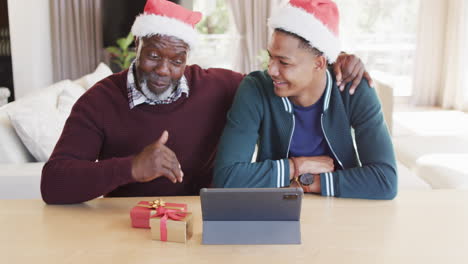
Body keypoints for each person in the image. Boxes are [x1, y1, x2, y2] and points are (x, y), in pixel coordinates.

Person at [41, 0, 372, 204]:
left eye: (176, 60)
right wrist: (131, 167)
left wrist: (333, 59)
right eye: (153, 55)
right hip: (129, 222)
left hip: (209, 218)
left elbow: (287, 76)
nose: (163, 71)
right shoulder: (99, 101)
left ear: (187, 57)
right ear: (137, 45)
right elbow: (53, 184)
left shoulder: (219, 86)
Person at [213, 0, 397, 200]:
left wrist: (307, 184)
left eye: (284, 62)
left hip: (344, 207)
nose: (271, 70)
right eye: (271, 57)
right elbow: (226, 177)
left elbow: (385, 180)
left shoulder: (352, 88)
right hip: (277, 209)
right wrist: (298, 166)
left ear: (319, 63)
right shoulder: (255, 89)